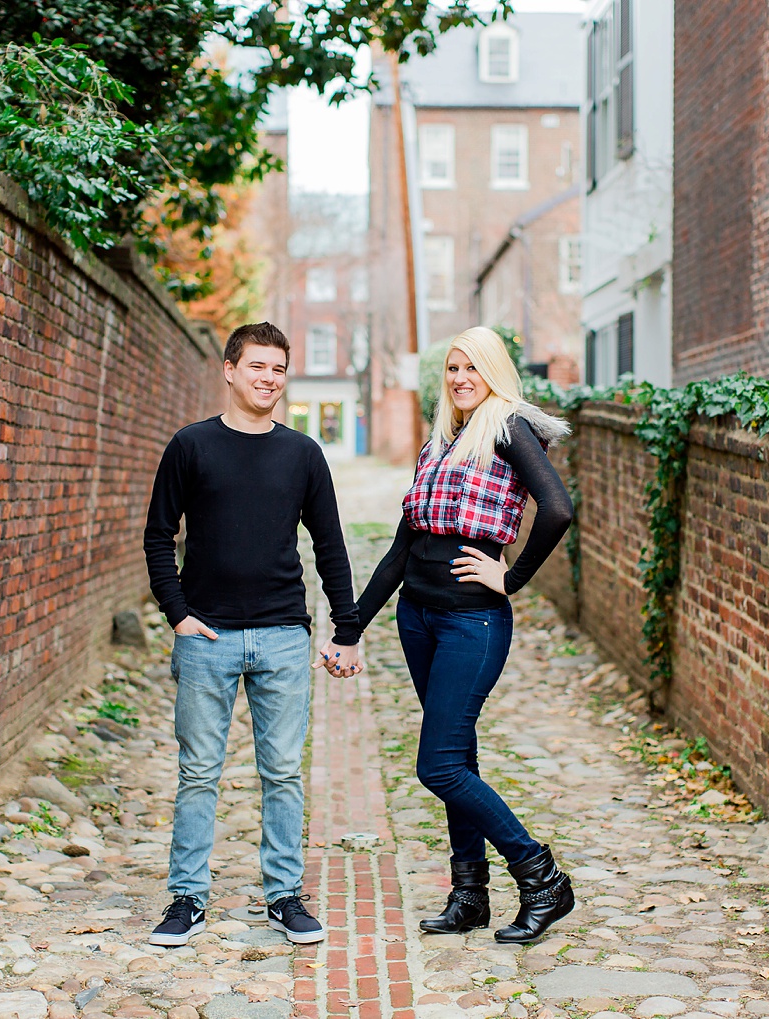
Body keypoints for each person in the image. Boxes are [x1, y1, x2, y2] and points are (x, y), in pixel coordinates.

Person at [142, 322, 364, 947]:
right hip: (206, 637)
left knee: (284, 773)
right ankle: (186, 899)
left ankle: (284, 896)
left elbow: (330, 546)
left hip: (283, 638)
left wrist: (345, 629)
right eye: (257, 366)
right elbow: (159, 535)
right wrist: (179, 614)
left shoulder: (302, 455)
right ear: (230, 370)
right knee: (198, 773)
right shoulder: (190, 446)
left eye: (278, 368)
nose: (269, 378)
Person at [354, 326, 576, 943]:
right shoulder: (441, 442)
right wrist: (351, 626)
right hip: (418, 618)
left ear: (494, 373)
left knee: (440, 765)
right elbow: (403, 548)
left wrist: (512, 578)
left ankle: (541, 875)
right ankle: (469, 893)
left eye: (471, 368)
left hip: (471, 622)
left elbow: (557, 508)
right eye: (452, 368)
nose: (459, 379)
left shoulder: (507, 427)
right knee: (460, 754)